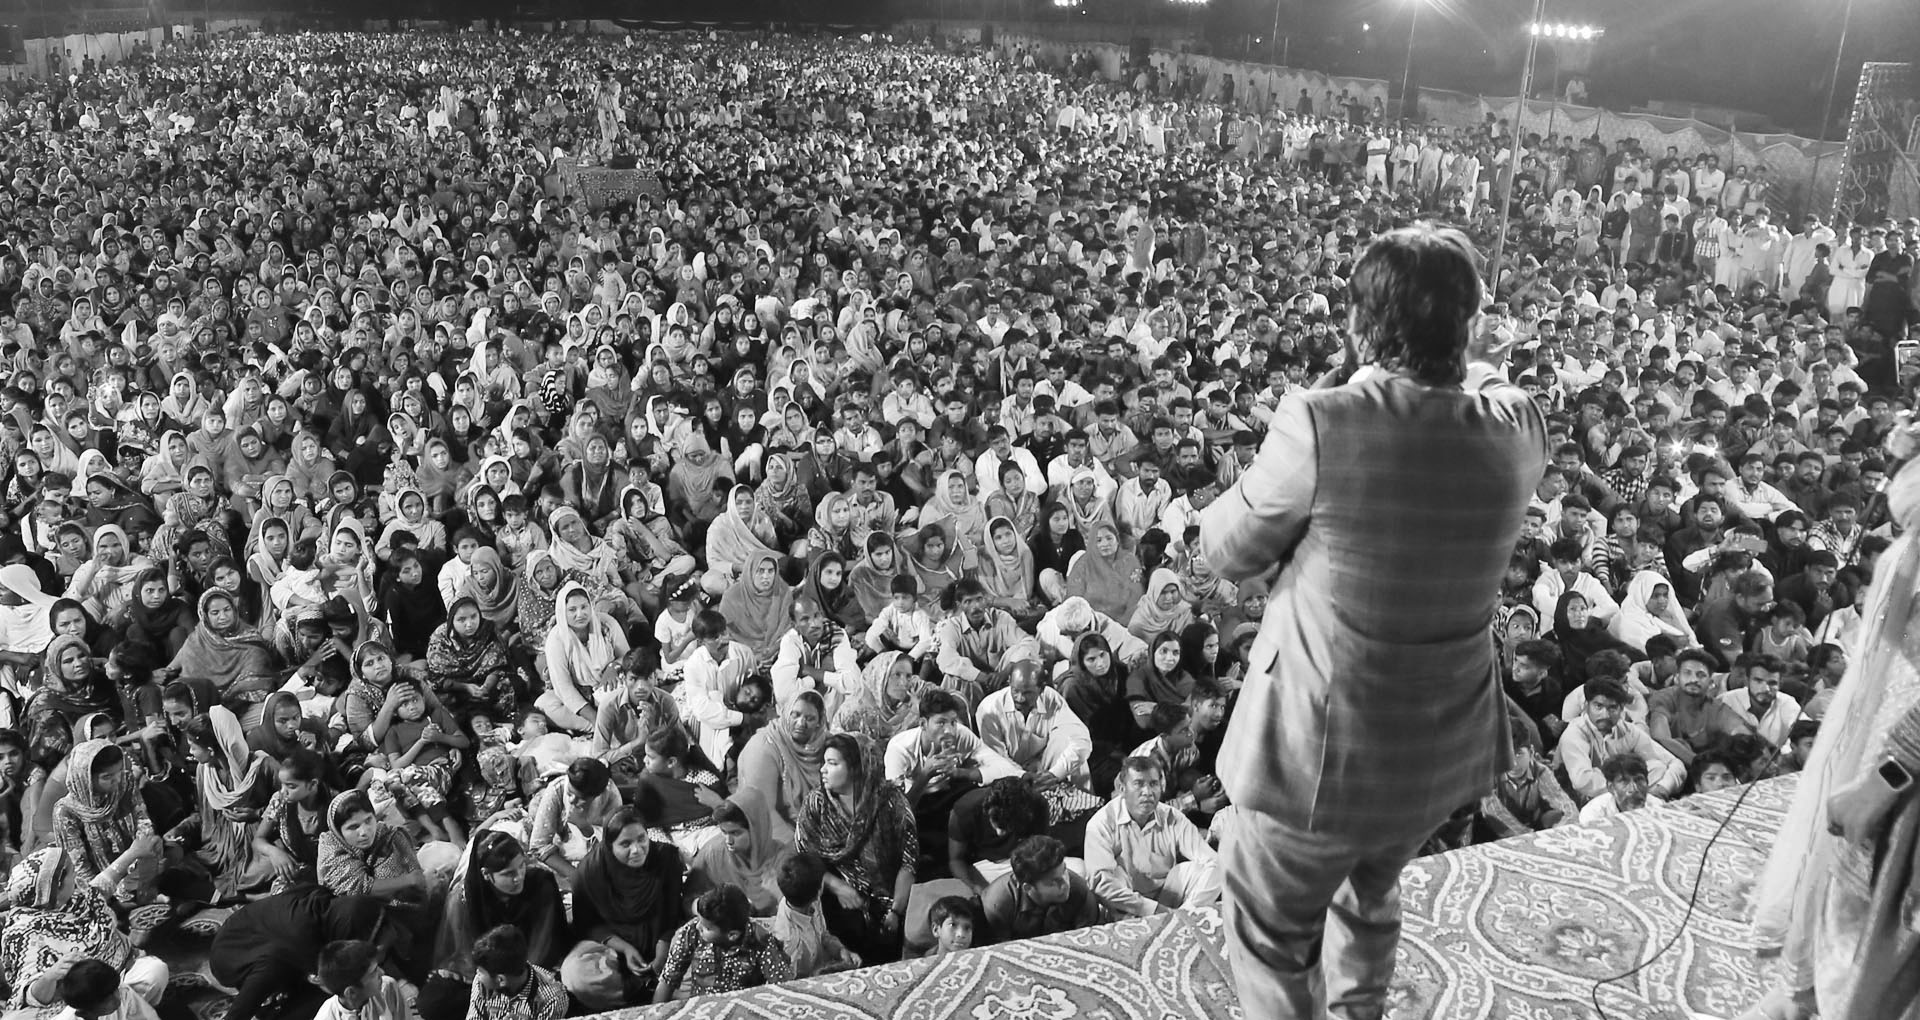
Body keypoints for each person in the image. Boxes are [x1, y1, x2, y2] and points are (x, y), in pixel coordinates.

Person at [1198, 225, 1548, 1017]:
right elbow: (1488, 381)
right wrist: (1460, 352)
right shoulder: (1518, 428)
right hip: (1434, 752)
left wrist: (1345, 387)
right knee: (1368, 894)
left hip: (1316, 750)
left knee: (1272, 940)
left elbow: (1225, 547)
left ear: (1358, 324)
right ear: (1469, 324)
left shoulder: (1323, 421)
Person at [1746, 420, 1920, 1020]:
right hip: (1881, 721)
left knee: (1887, 920)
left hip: (1902, 761)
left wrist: (1887, 778)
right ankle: (1809, 995)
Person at [795, 732, 918, 964]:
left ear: (855, 768)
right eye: (824, 762)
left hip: (895, 897)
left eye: (832, 763)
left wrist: (896, 911)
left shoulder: (891, 801)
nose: (823, 770)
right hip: (840, 899)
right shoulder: (816, 805)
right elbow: (806, 859)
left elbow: (908, 862)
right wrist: (838, 887)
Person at [0, 847, 170, 1016]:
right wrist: (50, 976)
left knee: (155, 971)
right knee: (101, 1003)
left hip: (118, 973)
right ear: (55, 888)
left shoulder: (74, 897)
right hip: (77, 1001)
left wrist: (134, 851)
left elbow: (102, 885)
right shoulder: (23, 933)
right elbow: (31, 996)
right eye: (70, 871)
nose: (75, 872)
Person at [210, 885, 390, 1020]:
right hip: (230, 956)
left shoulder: (324, 898)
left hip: (255, 925)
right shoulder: (300, 948)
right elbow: (239, 1013)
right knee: (327, 997)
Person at [1082, 756, 1220, 918]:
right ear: (1122, 788)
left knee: (1204, 868)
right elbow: (1100, 884)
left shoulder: (1172, 817)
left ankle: (1185, 917)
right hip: (1126, 909)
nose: (1147, 792)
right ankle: (1175, 920)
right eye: (1138, 784)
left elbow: (1214, 863)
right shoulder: (1101, 823)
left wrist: (1184, 912)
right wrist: (1153, 909)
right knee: (1115, 876)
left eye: (1153, 784)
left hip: (1169, 902)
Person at [652, 884, 792, 1002]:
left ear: (732, 935)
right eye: (699, 920)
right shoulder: (692, 931)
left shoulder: (761, 941)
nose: (698, 926)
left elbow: (782, 988)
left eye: (707, 928)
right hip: (701, 1009)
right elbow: (668, 980)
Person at [979, 834, 1111, 943]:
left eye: (1064, 871)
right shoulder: (998, 904)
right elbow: (1000, 953)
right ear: (1028, 888)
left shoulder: (1079, 890)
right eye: (1053, 882)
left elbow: (1088, 943)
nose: (1065, 883)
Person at [467, 925, 569, 1020]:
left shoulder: (552, 999)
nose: (477, 974)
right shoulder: (482, 984)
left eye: (480, 972)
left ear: (501, 980)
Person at [315, 940, 415, 1020]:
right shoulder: (326, 1017)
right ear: (351, 992)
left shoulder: (387, 986)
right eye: (373, 972)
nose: (382, 972)